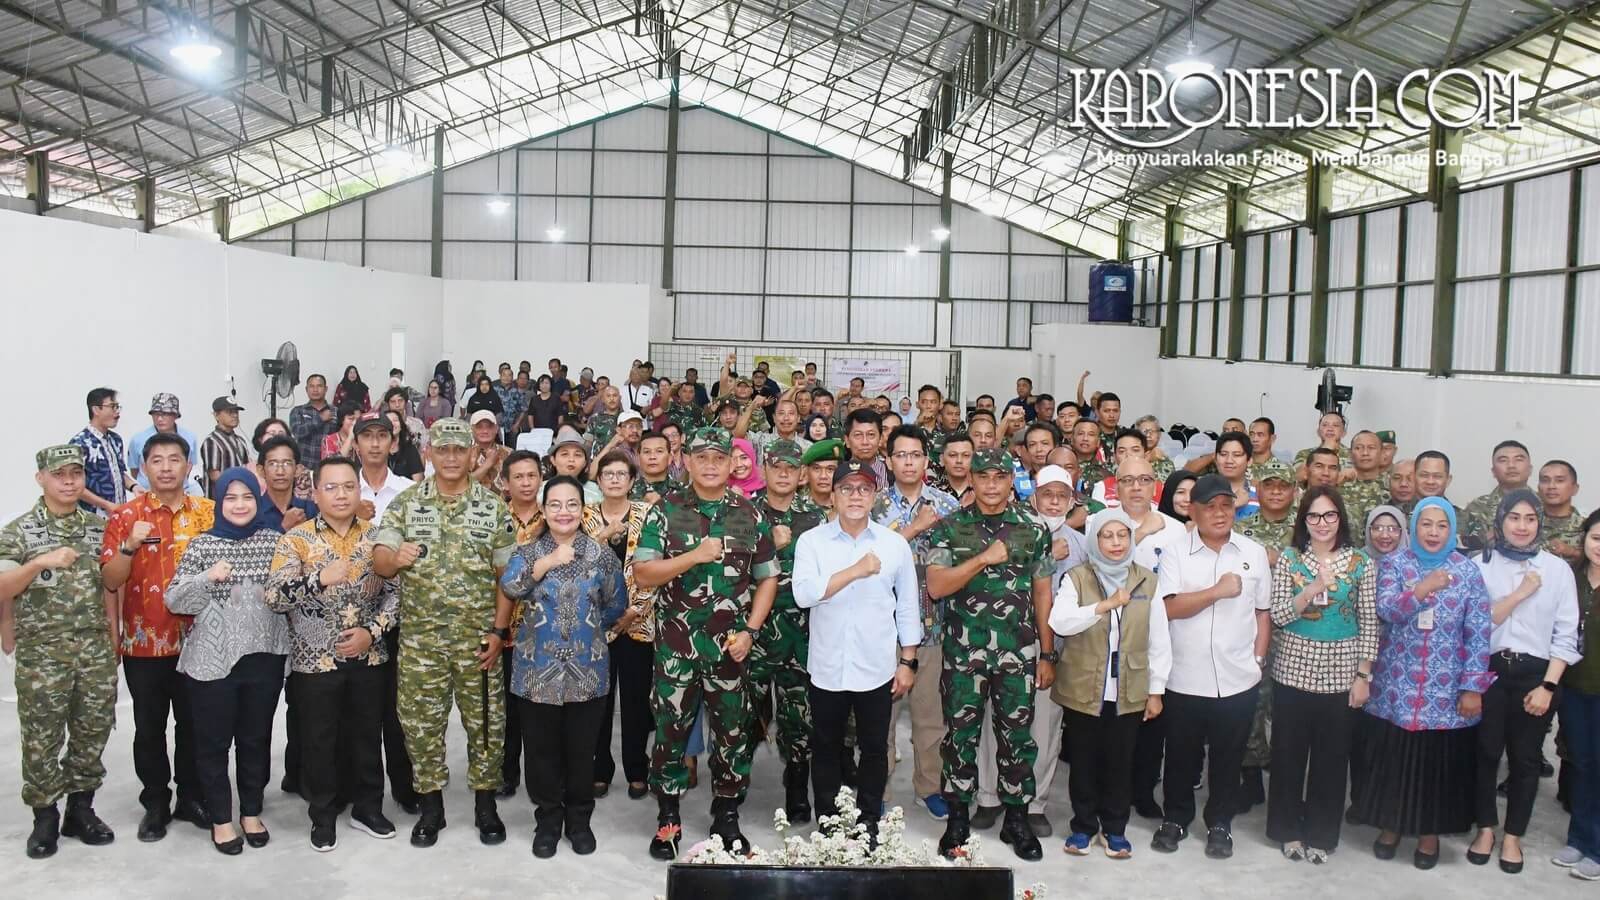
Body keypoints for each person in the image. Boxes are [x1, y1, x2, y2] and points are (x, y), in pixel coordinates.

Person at [634, 427, 779, 860]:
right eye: (703, 458)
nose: (712, 465)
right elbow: (644, 574)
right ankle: (668, 815)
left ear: (731, 462)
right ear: (688, 462)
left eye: (720, 458)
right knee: (670, 730)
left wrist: (751, 631)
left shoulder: (749, 513)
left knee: (732, 732)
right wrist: (693, 556)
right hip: (677, 647)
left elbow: (767, 576)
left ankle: (727, 814)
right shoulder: (666, 510)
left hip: (730, 648)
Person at [372, 418, 518, 848]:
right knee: (421, 725)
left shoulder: (492, 507)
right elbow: (380, 561)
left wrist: (498, 631)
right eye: (443, 450)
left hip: (478, 641)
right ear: (429, 454)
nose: (452, 458)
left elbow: (506, 577)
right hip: (422, 642)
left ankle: (485, 807)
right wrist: (394, 558)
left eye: (460, 450)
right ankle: (431, 808)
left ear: (474, 453)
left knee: (487, 724)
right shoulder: (406, 504)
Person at [925, 448, 1054, 862]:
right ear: (973, 479)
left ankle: (1016, 819)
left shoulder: (1032, 528)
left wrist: (1047, 653)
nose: (992, 485)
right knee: (959, 737)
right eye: (984, 477)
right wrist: (983, 558)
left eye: (1001, 477)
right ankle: (958, 819)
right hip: (964, 654)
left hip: (1018, 653)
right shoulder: (950, 527)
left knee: (1017, 738)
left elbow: (1042, 593)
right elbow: (937, 587)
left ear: (1011, 481)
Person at [267, 455, 401, 851]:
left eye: (348, 487)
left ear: (358, 490)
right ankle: (322, 816)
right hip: (314, 662)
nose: (341, 495)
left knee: (366, 736)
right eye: (331, 487)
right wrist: (316, 579)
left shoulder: (379, 536)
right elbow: (274, 597)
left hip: (368, 657)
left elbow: (396, 596)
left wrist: (371, 632)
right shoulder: (297, 539)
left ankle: (368, 808)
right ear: (314, 491)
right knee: (319, 741)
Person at [1356, 498, 1492, 869]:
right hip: (1395, 688)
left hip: (1445, 691)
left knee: (1434, 767)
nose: (1433, 533)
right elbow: (1386, 610)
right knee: (1396, 761)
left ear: (1452, 531)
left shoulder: (1467, 572)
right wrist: (1422, 588)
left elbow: (1479, 632)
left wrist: (1472, 687)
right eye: (1426, 524)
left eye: (1441, 526)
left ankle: (1429, 835)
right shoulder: (1395, 564)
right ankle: (1391, 827)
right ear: (1414, 528)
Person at [498, 475, 627, 858]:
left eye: (572, 504)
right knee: (540, 753)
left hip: (587, 673)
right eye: (555, 504)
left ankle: (579, 820)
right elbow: (511, 587)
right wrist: (548, 562)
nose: (564, 512)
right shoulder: (526, 553)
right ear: (543, 509)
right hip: (536, 674)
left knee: (581, 750)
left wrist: (583, 638)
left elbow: (614, 605)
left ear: (583, 509)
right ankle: (548, 820)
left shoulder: (602, 556)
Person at [793, 459, 921, 841]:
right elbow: (803, 594)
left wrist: (907, 661)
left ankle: (869, 818)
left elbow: (908, 606)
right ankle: (828, 820)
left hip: (876, 666)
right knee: (827, 745)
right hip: (828, 666)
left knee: (874, 748)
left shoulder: (894, 544)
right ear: (832, 495)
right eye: (846, 489)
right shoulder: (812, 542)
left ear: (875, 496)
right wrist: (855, 570)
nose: (855, 496)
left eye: (863, 489)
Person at [1, 445, 119, 859]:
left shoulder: (98, 529)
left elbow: (110, 586)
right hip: (43, 656)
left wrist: (114, 639)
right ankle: (45, 818)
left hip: (94, 650)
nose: (69, 481)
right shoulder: (18, 531)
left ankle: (80, 810)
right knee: (41, 739)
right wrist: (37, 564)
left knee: (92, 732)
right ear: (41, 479)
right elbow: (2, 588)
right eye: (59, 474)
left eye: (76, 473)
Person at [164, 468, 289, 855]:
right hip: (211, 663)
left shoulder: (275, 542)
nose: (239, 504)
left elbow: (290, 594)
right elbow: (175, 600)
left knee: (256, 740)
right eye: (231, 497)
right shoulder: (203, 546)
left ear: (258, 499)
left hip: (264, 657)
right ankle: (221, 818)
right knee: (213, 744)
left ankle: (251, 812)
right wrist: (206, 578)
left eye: (247, 497)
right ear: (220, 502)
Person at [99, 432, 215, 841]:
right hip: (144, 642)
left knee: (194, 724)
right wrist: (129, 547)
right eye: (157, 460)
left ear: (188, 465)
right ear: (143, 467)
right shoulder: (124, 517)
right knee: (150, 727)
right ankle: (155, 802)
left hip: (201, 641)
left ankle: (191, 796)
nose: (166, 467)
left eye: (174, 459)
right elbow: (111, 580)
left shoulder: (209, 514)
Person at [1150, 474, 1272, 861]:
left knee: (1228, 758)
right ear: (1193, 510)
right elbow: (1168, 607)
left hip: (1238, 679)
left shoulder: (1252, 551)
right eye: (1210, 506)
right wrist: (1216, 592)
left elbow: (1263, 613)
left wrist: (1257, 659)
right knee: (1182, 756)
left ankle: (1220, 822)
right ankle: (1176, 818)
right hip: (1185, 676)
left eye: (1226, 505)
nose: (1219, 513)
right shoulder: (1174, 552)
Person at [1468, 489, 1581, 873]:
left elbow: (1567, 635)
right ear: (1500, 520)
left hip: (1536, 675)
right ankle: (1485, 827)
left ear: (1539, 522)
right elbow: (1476, 625)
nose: (1521, 525)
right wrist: (1519, 594)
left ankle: (1513, 836)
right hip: (1489, 671)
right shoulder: (1480, 564)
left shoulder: (1557, 570)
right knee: (1484, 752)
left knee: (1526, 759)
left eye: (1529, 518)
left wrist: (1548, 687)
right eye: (1513, 517)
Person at [1264, 486, 1378, 865]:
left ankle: (1321, 834)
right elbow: (1278, 615)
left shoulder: (1361, 562)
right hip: (1293, 672)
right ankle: (1287, 831)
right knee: (1288, 756)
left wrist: (1364, 675)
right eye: (1314, 516)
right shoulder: (1292, 559)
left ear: (1341, 518)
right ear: (1304, 521)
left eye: (1330, 515)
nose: (1322, 523)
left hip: (1341, 675)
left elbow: (1369, 623)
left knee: (1331, 761)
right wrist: (1311, 589)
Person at [1049, 508, 1169, 859]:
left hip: (1130, 687)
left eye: (1122, 536)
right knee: (1083, 762)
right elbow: (1061, 621)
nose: (1115, 543)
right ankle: (1083, 827)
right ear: (1094, 540)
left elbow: (1159, 638)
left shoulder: (1147, 579)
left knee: (1120, 763)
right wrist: (1103, 605)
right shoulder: (1077, 577)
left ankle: (1115, 829)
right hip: (1084, 685)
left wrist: (1157, 690)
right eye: (1107, 536)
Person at [974, 464, 1087, 837]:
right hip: (1007, 637)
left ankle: (1034, 802)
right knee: (994, 719)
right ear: (1033, 497)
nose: (1053, 502)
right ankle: (989, 796)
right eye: (1047, 494)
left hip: (1054, 643)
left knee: (1044, 724)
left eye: (1062, 496)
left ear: (1072, 502)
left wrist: (1050, 652)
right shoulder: (1011, 531)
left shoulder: (1083, 544)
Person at [872, 426, 960, 821]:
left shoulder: (947, 504)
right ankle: (880, 787)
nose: (908, 462)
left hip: (933, 627)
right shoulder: (871, 506)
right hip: (881, 630)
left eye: (916, 455)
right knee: (880, 720)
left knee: (930, 718)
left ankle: (929, 787)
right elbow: (869, 562)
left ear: (927, 461)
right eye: (901, 455)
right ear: (888, 460)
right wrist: (915, 528)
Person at [745, 440, 826, 822]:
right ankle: (733, 785)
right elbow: (732, 570)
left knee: (799, 718)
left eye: (791, 468)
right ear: (765, 467)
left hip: (801, 635)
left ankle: (797, 787)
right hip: (754, 634)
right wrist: (770, 546)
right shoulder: (744, 512)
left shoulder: (817, 517)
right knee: (743, 714)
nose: (783, 473)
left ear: (802, 474)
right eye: (776, 466)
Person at [584, 452, 655, 802]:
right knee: (598, 700)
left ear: (631, 481)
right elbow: (575, 560)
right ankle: (599, 768)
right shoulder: (584, 517)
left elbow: (658, 565)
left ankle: (637, 769)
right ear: (598, 481)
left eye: (621, 474)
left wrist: (633, 612)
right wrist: (604, 535)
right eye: (607, 474)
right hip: (594, 625)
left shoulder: (648, 514)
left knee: (636, 701)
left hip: (638, 622)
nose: (614, 479)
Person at [1558, 510, 1600, 880]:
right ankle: (1579, 838)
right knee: (1582, 765)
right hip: (1574, 688)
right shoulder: (1570, 579)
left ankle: (1597, 849)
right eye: (1597, 538)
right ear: (1584, 539)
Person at [70, 388, 135, 515]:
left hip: (119, 515)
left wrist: (134, 487)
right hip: (93, 518)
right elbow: (74, 486)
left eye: (118, 407)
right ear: (96, 410)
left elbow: (118, 472)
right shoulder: (80, 443)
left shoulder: (116, 440)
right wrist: (106, 505)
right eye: (112, 407)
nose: (117, 412)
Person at [1463, 440, 1534, 551]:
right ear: (1493, 472)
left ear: (1530, 469)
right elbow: (1468, 550)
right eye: (1503, 460)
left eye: (1518, 460)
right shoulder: (1477, 507)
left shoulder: (1545, 504)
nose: (1511, 466)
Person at [128, 393, 202, 495]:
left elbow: (189, 465)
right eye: (156, 414)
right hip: (148, 494)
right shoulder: (138, 440)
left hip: (180, 493)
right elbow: (135, 470)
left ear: (175, 415)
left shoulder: (189, 437)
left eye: (165, 414)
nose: (159, 419)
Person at [1237, 459, 1297, 566]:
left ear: (1294, 491)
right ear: (1258, 489)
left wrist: (1281, 559)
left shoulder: (1308, 529)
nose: (1276, 491)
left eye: (1283, 486)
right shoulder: (1238, 529)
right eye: (1268, 485)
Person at [255, 437, 316, 533]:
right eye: (273, 464)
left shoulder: (311, 510)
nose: (280, 472)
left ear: (298, 470)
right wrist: (284, 528)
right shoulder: (253, 511)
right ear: (261, 470)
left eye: (287, 463)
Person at [1341, 431, 1390, 543]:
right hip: (1347, 556)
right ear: (1350, 453)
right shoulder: (1338, 488)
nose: (1365, 453)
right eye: (1358, 448)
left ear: (1382, 453)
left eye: (1371, 448)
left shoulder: (1393, 487)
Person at [199, 397, 250, 493]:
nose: (235, 415)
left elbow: (247, 468)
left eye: (236, 412)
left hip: (240, 496)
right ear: (216, 415)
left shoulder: (240, 441)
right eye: (229, 412)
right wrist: (235, 489)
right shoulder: (212, 441)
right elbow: (214, 475)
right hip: (219, 500)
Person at [1539, 460, 1585, 562]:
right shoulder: (1527, 522)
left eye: (1559, 480)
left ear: (1575, 488)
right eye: (1545, 480)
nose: (1551, 486)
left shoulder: (1588, 525)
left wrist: (1572, 552)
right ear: (1538, 488)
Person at [290, 375, 339, 466]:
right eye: (311, 386)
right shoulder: (298, 411)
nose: (315, 390)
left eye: (319, 386)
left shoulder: (336, 411)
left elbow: (341, 436)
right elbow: (297, 432)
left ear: (326, 389)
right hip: (304, 465)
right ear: (306, 389)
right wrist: (320, 419)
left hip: (330, 465)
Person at [1294, 412, 1351, 481]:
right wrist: (1325, 449)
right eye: (1325, 425)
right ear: (1318, 432)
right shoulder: (1304, 454)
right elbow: (1297, 478)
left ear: (1343, 432)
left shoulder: (1354, 455)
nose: (1330, 429)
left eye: (1335, 425)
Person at [468, 410, 512, 493]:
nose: (485, 431)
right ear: (471, 430)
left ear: (496, 429)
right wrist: (488, 464)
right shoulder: (464, 454)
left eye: (489, 427)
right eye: (479, 427)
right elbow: (460, 486)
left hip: (503, 503)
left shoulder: (509, 453)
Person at [385, 411, 426, 481]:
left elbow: (418, 481)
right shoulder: (377, 450)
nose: (392, 424)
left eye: (395, 420)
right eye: (388, 421)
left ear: (401, 425)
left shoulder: (410, 449)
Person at [1094, 393, 1123, 459]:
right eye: (1107, 411)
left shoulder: (1126, 435)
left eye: (1115, 411)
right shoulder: (1089, 435)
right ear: (1097, 412)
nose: (1111, 415)